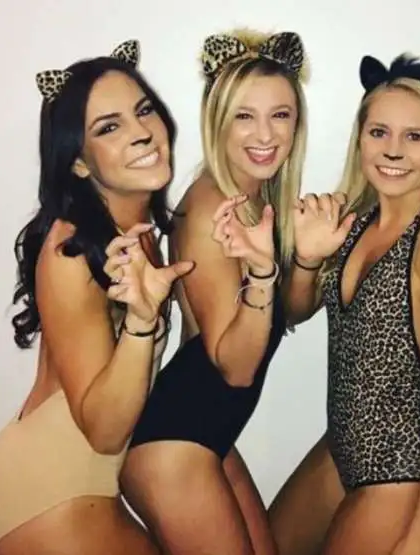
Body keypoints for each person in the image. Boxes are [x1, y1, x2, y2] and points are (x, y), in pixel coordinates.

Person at [0, 40, 194, 555]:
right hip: (49, 491)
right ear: (77, 162)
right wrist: (141, 322)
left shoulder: (136, 235)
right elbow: (103, 431)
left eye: (144, 111)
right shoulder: (71, 248)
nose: (142, 132)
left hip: (81, 481)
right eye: (109, 127)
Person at [268, 53, 420, 555]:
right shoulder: (353, 220)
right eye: (379, 132)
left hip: (395, 474)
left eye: (415, 137)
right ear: (360, 138)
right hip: (338, 450)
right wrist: (307, 259)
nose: (393, 150)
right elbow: (295, 312)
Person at [120, 29, 309, 555]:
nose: (265, 133)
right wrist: (264, 276)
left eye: (280, 114)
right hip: (173, 447)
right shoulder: (211, 211)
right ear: (217, 121)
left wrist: (308, 257)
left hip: (206, 437)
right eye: (244, 115)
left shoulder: (252, 202)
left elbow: (288, 313)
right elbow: (236, 368)